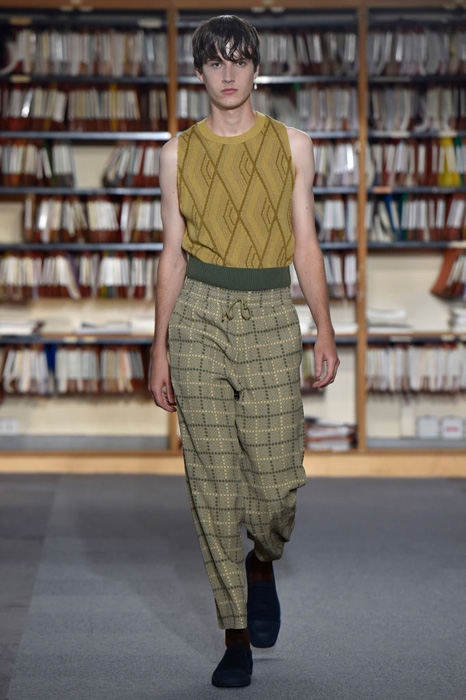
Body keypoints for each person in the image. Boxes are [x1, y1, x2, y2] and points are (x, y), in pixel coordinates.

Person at [148, 14, 339, 688]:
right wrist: (159, 347)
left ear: (257, 68)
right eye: (214, 61)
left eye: (239, 60)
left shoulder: (295, 145)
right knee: (212, 483)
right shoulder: (175, 154)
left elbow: (306, 243)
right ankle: (234, 634)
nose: (227, 73)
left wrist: (324, 326)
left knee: (278, 484)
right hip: (198, 316)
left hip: (269, 316)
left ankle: (262, 560)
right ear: (199, 72)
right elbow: (172, 253)